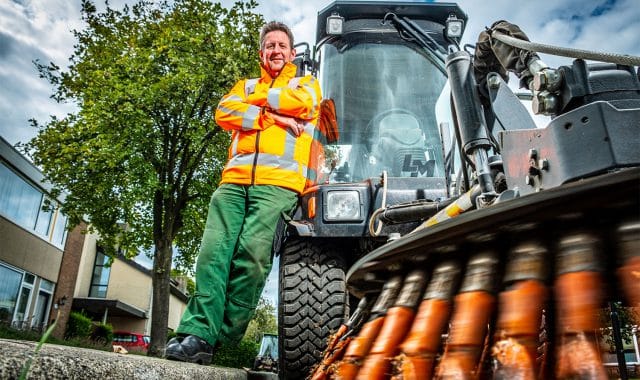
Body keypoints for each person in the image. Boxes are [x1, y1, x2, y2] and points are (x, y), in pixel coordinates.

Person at [165, 21, 322, 365]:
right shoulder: (244, 85)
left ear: (292, 53)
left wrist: (259, 104)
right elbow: (224, 112)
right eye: (270, 46)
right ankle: (198, 333)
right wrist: (277, 118)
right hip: (233, 183)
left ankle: (222, 337)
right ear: (261, 53)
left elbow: (304, 104)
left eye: (282, 46)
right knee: (213, 255)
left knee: (251, 258)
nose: (276, 51)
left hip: (278, 186)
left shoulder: (306, 83)